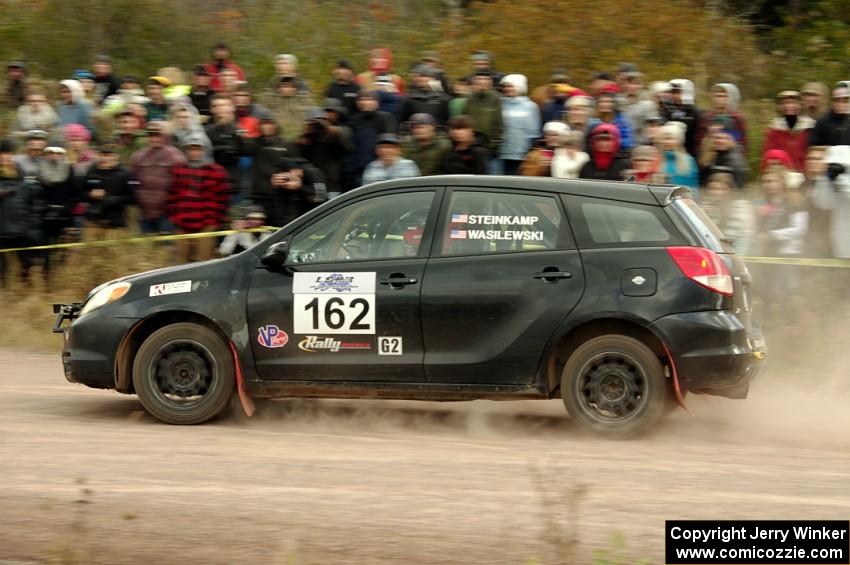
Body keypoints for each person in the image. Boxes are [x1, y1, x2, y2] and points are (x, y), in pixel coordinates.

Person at [168, 134, 230, 263]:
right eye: (191, 149)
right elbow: (172, 195)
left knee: (203, 262)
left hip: (206, 225)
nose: (194, 152)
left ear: (205, 150)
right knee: (181, 263)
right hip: (182, 224)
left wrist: (214, 222)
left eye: (198, 149)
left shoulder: (217, 171)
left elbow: (223, 199)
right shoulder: (178, 169)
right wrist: (175, 218)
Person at [129, 121, 185, 234]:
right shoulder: (138, 156)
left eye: (158, 135)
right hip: (144, 212)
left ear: (165, 136)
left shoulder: (176, 156)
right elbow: (132, 181)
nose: (154, 138)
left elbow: (182, 184)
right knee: (146, 247)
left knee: (165, 248)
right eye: (151, 135)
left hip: (167, 213)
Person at [0, 139, 37, 286]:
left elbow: (32, 201)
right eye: (2, 154)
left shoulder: (22, 176)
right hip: (1, 229)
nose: (5, 157)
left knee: (26, 262)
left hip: (21, 228)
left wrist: (31, 224)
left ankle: (25, 286)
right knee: (2, 267)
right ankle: (5, 293)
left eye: (8, 153)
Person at [82, 142, 137, 239]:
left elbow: (134, 198)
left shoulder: (126, 173)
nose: (104, 158)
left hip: (115, 225)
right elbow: (80, 193)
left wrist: (115, 199)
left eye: (108, 155)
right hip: (92, 222)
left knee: (113, 253)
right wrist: (90, 194)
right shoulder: (92, 170)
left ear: (117, 155)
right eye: (101, 155)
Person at [297, 104, 351, 198]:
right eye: (313, 123)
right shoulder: (306, 140)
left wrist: (329, 130)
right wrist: (306, 135)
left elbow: (347, 148)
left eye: (319, 122)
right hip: (313, 185)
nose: (316, 126)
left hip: (332, 186)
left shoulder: (333, 137)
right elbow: (300, 160)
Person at [348, 91, 396, 189]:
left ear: (377, 102)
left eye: (369, 99)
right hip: (358, 170)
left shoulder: (385, 118)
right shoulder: (353, 120)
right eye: (361, 100)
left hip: (380, 168)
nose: (365, 102)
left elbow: (389, 143)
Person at [699, 172, 755, 255]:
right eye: (712, 189)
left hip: (737, 255)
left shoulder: (741, 208)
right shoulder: (706, 209)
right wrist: (702, 216)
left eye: (720, 189)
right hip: (714, 255)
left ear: (729, 190)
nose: (715, 193)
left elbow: (746, 237)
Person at [250, 117, 298, 212]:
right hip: (259, 194)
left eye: (269, 124)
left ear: (275, 125)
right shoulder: (255, 143)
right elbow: (243, 148)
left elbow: (296, 167)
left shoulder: (287, 143)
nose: (266, 127)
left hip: (281, 194)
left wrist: (288, 179)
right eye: (263, 124)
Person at [264, 157, 327, 226]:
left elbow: (320, 198)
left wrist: (300, 187)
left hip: (315, 218)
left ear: (295, 171)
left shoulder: (313, 173)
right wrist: (275, 187)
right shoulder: (284, 180)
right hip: (293, 220)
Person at [812, 145, 850, 258]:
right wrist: (826, 179)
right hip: (842, 241)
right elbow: (822, 202)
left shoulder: (844, 182)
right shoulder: (831, 180)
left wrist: (843, 181)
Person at [205, 94, 246, 200]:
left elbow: (244, 150)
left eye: (225, 105)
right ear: (211, 109)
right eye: (217, 106)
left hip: (234, 186)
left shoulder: (239, 130)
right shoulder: (205, 131)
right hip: (209, 184)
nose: (221, 109)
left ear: (232, 107)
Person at [763, 90, 814, 171]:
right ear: (780, 106)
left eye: (793, 103)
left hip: (804, 172)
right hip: (782, 173)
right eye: (785, 103)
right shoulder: (774, 129)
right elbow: (769, 155)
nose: (789, 106)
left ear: (800, 105)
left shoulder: (810, 127)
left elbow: (812, 152)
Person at [499, 74, 540, 175]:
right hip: (502, 153)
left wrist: (529, 150)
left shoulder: (530, 106)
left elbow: (534, 131)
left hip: (522, 154)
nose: (507, 89)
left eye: (511, 86)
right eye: (505, 86)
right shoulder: (499, 104)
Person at [463, 70, 503, 174]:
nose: (482, 82)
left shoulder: (497, 98)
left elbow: (500, 123)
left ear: (490, 82)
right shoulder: (469, 98)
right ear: (474, 82)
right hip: (472, 146)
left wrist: (495, 144)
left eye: (485, 79)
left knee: (493, 180)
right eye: (479, 79)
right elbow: (465, 120)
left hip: (491, 147)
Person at [799, 145, 831, 257]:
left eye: (818, 159)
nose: (812, 162)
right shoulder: (801, 186)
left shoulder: (833, 187)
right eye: (809, 159)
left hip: (826, 243)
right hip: (803, 243)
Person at [696, 83, 746, 152]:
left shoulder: (737, 118)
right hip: (708, 156)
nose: (719, 99)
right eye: (717, 96)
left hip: (729, 156)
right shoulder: (706, 117)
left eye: (724, 96)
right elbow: (698, 141)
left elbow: (741, 143)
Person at [268, 76, 315, 142]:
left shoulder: (304, 102)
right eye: (284, 86)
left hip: (300, 140)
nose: (288, 89)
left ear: (295, 89)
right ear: (279, 89)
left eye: (291, 86)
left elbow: (311, 121)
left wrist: (305, 136)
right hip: (279, 140)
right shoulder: (272, 103)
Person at [402, 112, 450, 176]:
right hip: (411, 181)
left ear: (432, 127)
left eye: (420, 127)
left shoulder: (444, 145)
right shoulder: (406, 143)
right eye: (414, 128)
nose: (416, 130)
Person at [661, 79, 700, 157]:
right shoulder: (667, 110)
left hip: (689, 153)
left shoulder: (695, 113)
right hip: (668, 152)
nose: (675, 96)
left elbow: (697, 139)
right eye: (673, 92)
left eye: (678, 92)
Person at [658, 121, 699, 192]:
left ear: (679, 140)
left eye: (670, 138)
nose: (666, 142)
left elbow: (693, 187)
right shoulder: (657, 159)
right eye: (664, 138)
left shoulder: (688, 161)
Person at [619, 70, 655, 143]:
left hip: (641, 143)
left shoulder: (648, 105)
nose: (632, 87)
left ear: (641, 86)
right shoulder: (619, 102)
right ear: (624, 85)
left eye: (636, 84)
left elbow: (652, 128)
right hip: (621, 143)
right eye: (630, 83)